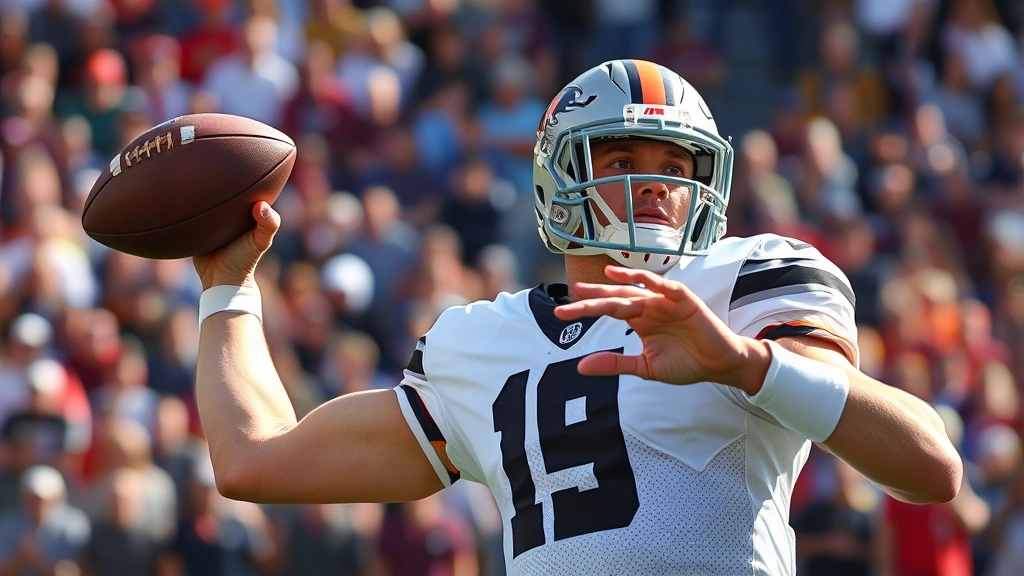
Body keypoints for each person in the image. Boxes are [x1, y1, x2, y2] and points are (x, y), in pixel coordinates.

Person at [192, 59, 963, 575]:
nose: (657, 188)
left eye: (675, 167)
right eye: (624, 162)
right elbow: (255, 460)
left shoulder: (747, 278)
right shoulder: (477, 344)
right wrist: (229, 289)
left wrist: (743, 364)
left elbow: (929, 467)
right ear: (561, 177)